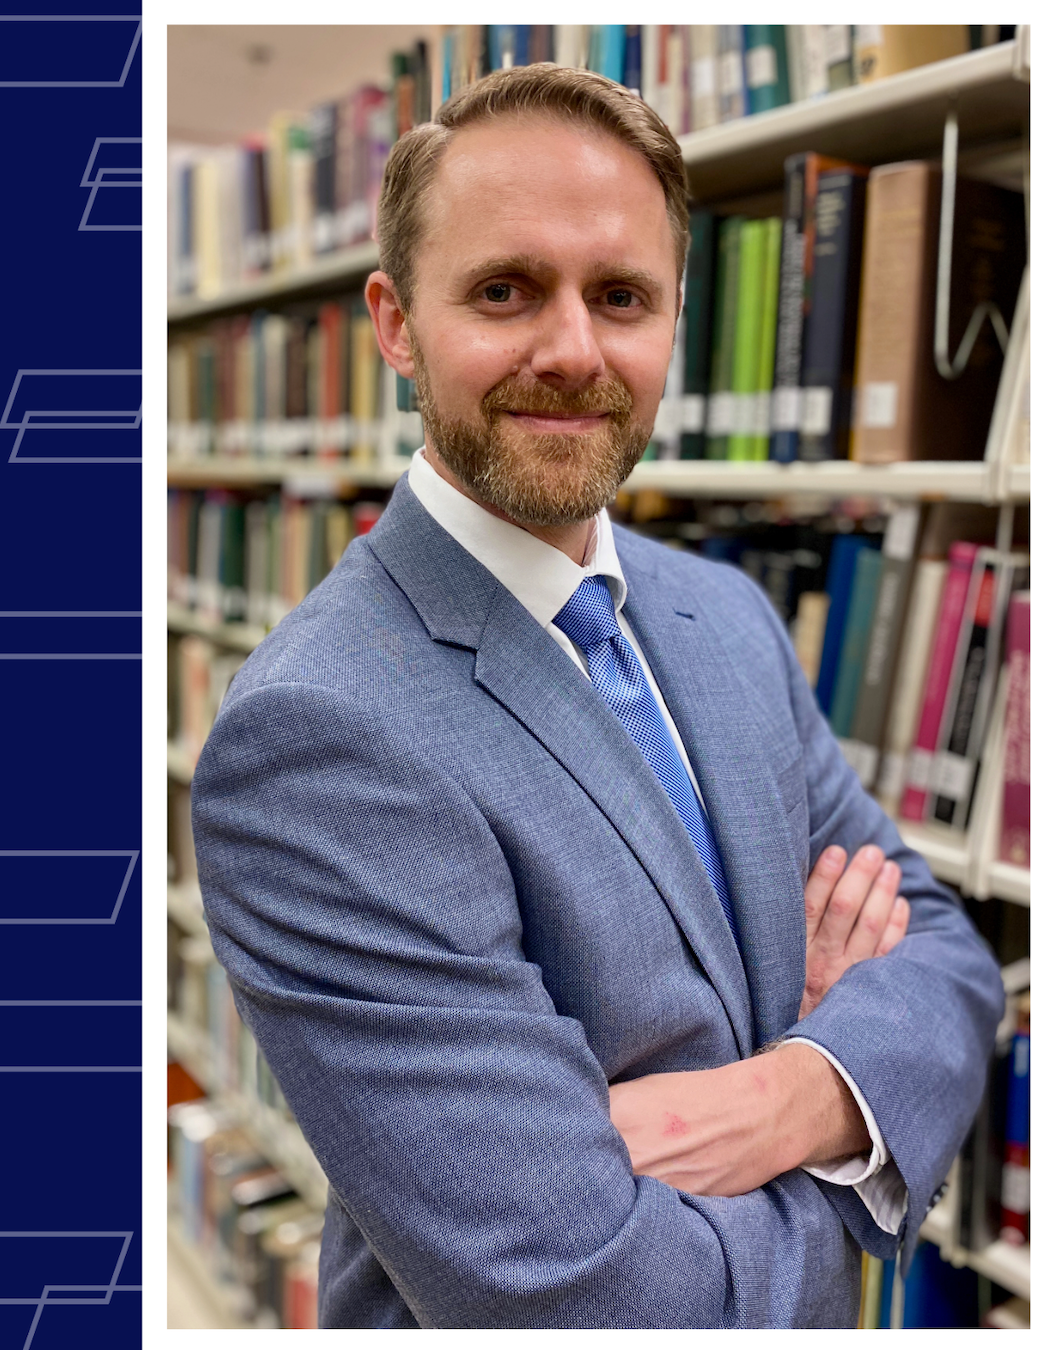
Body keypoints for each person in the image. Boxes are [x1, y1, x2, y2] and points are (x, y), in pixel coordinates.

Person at [192, 62, 1004, 1328]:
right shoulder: (318, 736)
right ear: (396, 323)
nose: (573, 350)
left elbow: (952, 962)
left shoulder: (723, 615)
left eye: (620, 295)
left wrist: (783, 1098)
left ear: (675, 318)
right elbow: (584, 1293)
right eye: (505, 290)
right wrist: (863, 1131)